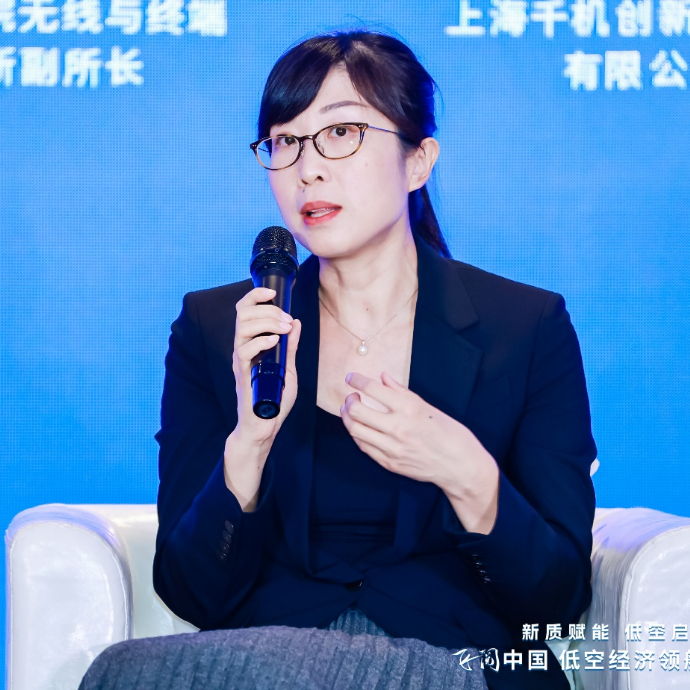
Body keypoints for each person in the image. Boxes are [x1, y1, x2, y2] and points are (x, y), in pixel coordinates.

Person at [79, 29, 597, 690]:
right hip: (264, 662)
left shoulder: (523, 327)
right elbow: (194, 594)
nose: (307, 168)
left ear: (418, 160)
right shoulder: (218, 330)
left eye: (341, 133)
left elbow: (556, 603)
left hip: (456, 663)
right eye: (284, 142)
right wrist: (249, 444)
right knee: (123, 673)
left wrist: (467, 473)